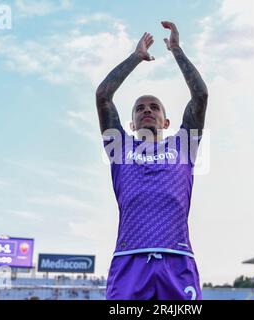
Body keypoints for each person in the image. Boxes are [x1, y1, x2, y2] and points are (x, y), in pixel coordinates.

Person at [96, 21, 208, 300]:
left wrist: (177, 51)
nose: (147, 110)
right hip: (129, 260)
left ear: (166, 120)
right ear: (131, 123)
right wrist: (136, 57)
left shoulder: (184, 144)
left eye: (154, 107)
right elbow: (103, 96)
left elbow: (200, 95)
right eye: (139, 108)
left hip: (177, 259)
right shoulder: (119, 147)